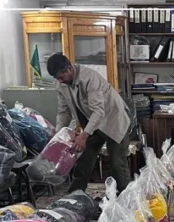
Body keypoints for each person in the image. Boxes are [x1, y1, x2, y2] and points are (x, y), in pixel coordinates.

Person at [48, 53, 132, 193]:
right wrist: (58, 134)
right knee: (84, 158)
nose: (60, 81)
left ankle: (126, 198)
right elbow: (64, 111)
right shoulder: (60, 83)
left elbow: (99, 111)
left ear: (69, 68)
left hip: (114, 120)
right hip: (92, 122)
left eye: (61, 77)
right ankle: (75, 195)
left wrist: (84, 135)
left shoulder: (89, 78)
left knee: (117, 162)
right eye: (57, 78)